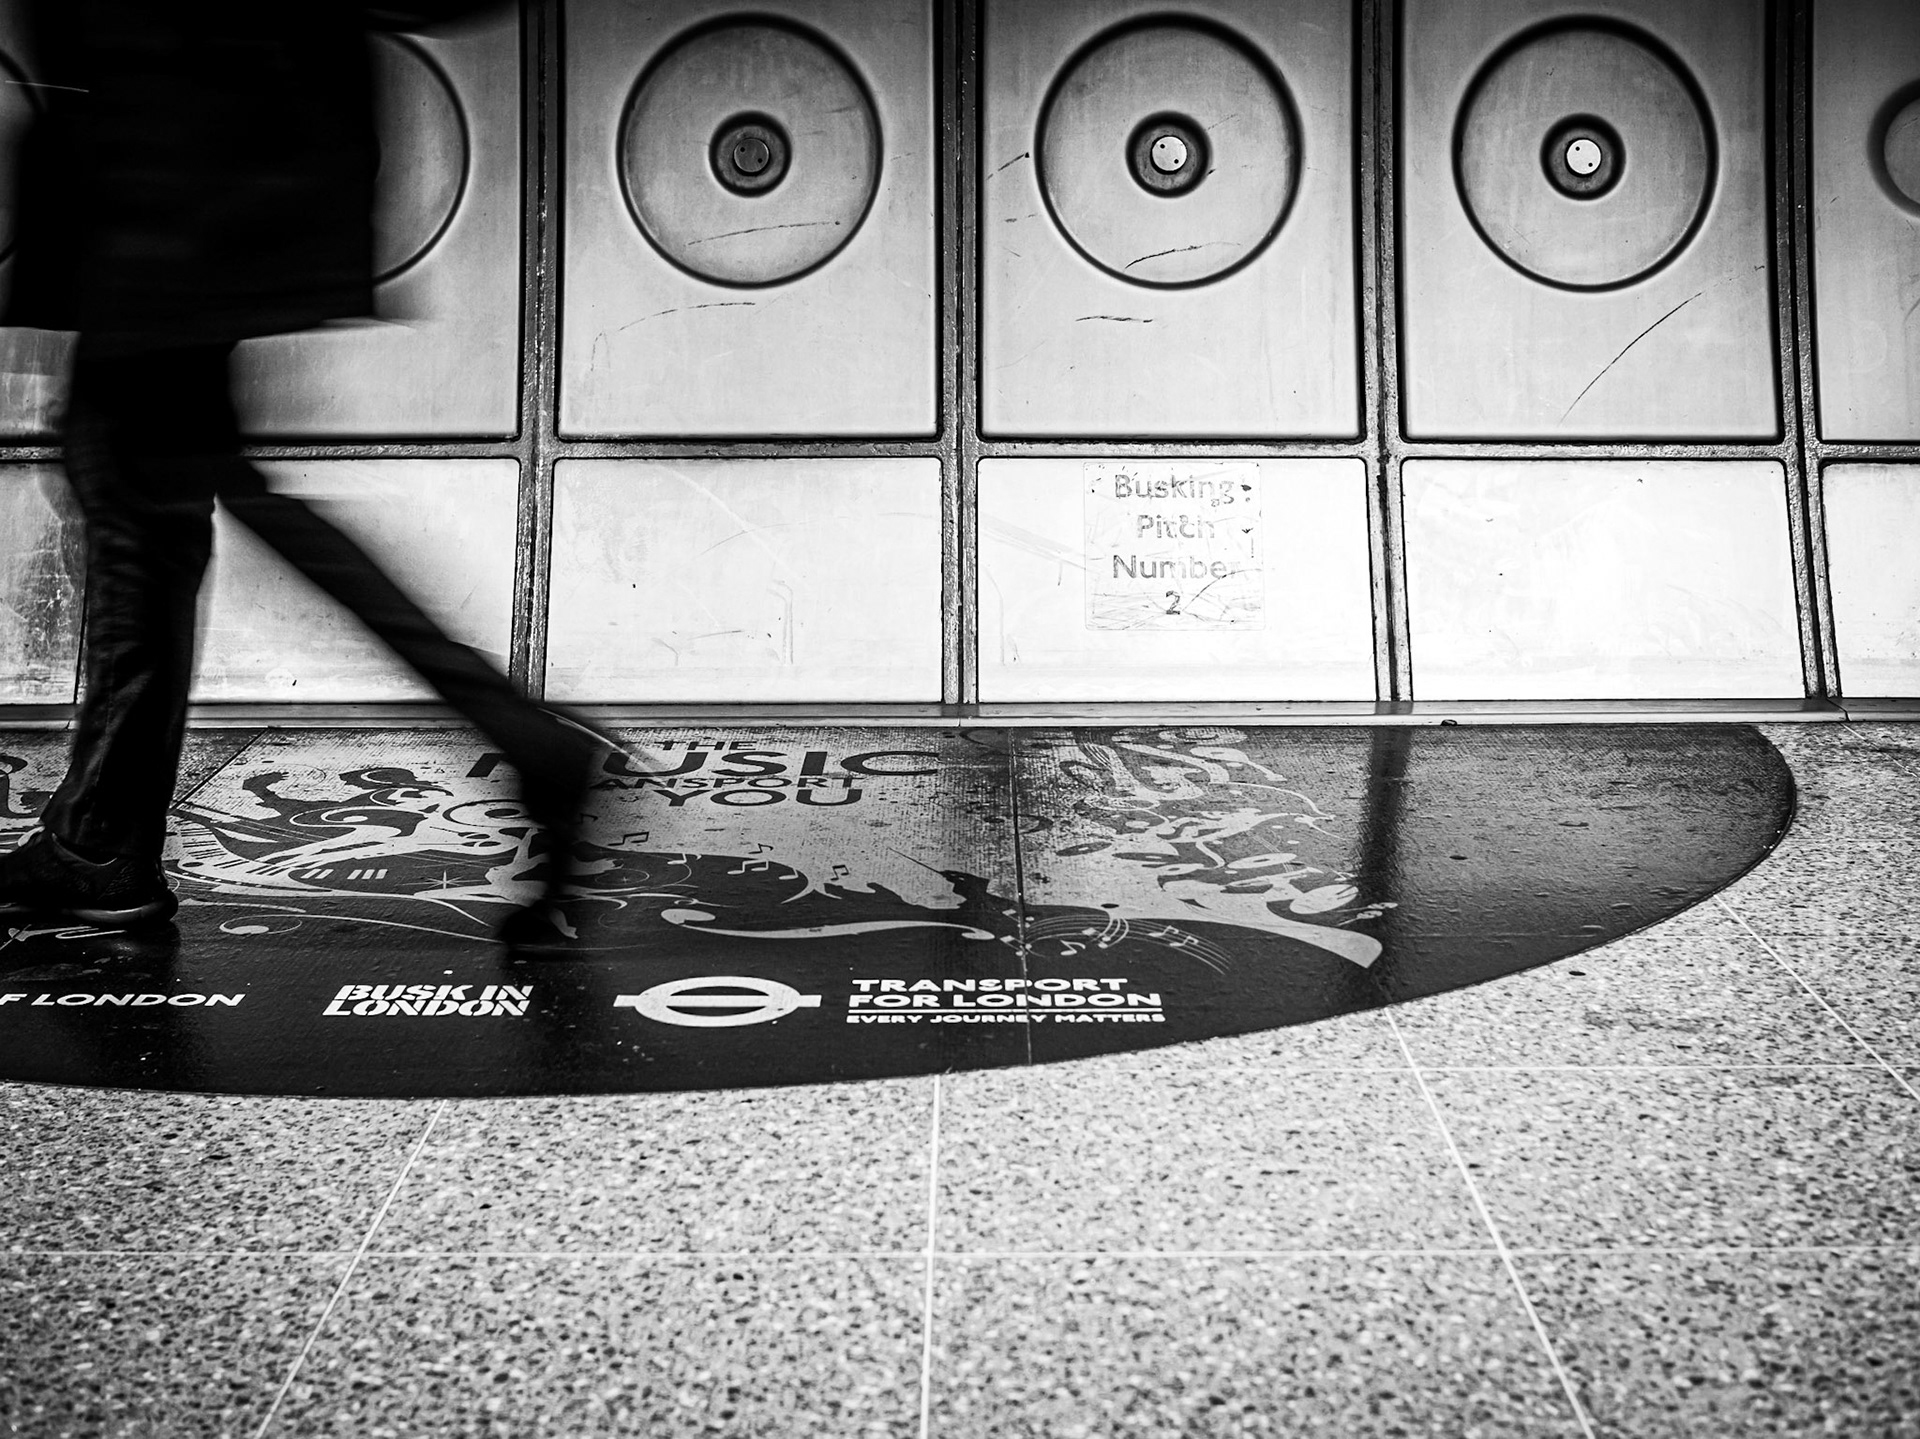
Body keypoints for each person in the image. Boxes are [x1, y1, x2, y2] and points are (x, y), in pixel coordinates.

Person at [0, 1, 598, 947]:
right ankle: (100, 840)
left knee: (137, 488)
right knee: (162, 495)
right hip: (203, 184)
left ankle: (102, 843)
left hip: (170, 188)